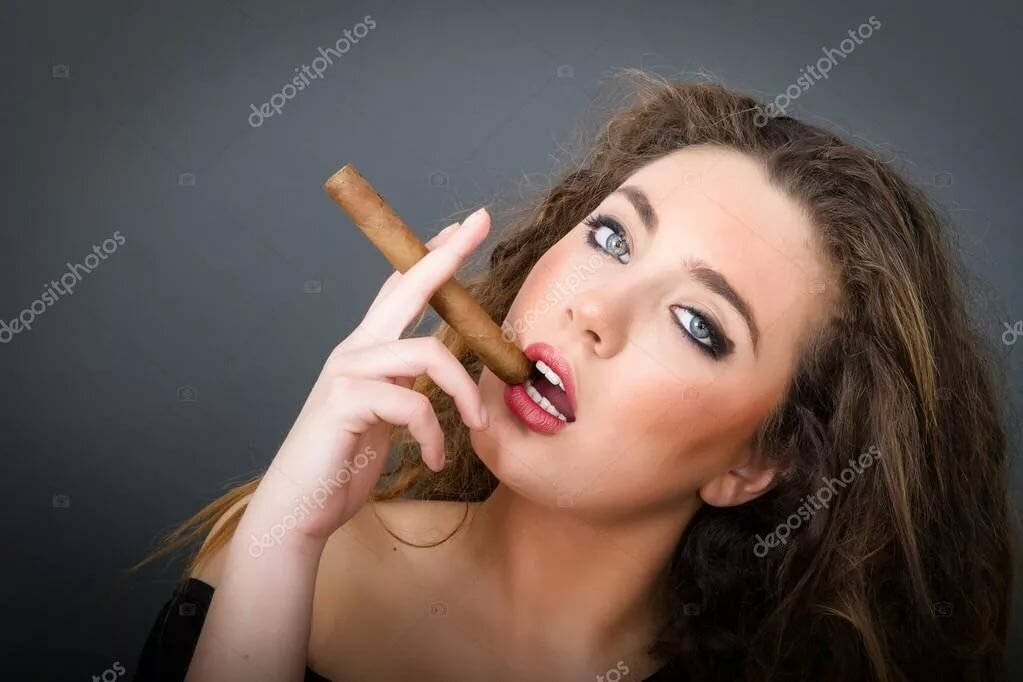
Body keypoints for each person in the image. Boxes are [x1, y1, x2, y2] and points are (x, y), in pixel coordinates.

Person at [129, 69, 1015, 681]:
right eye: (612, 237)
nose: (595, 308)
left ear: (753, 463)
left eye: (697, 324)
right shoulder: (284, 561)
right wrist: (282, 540)